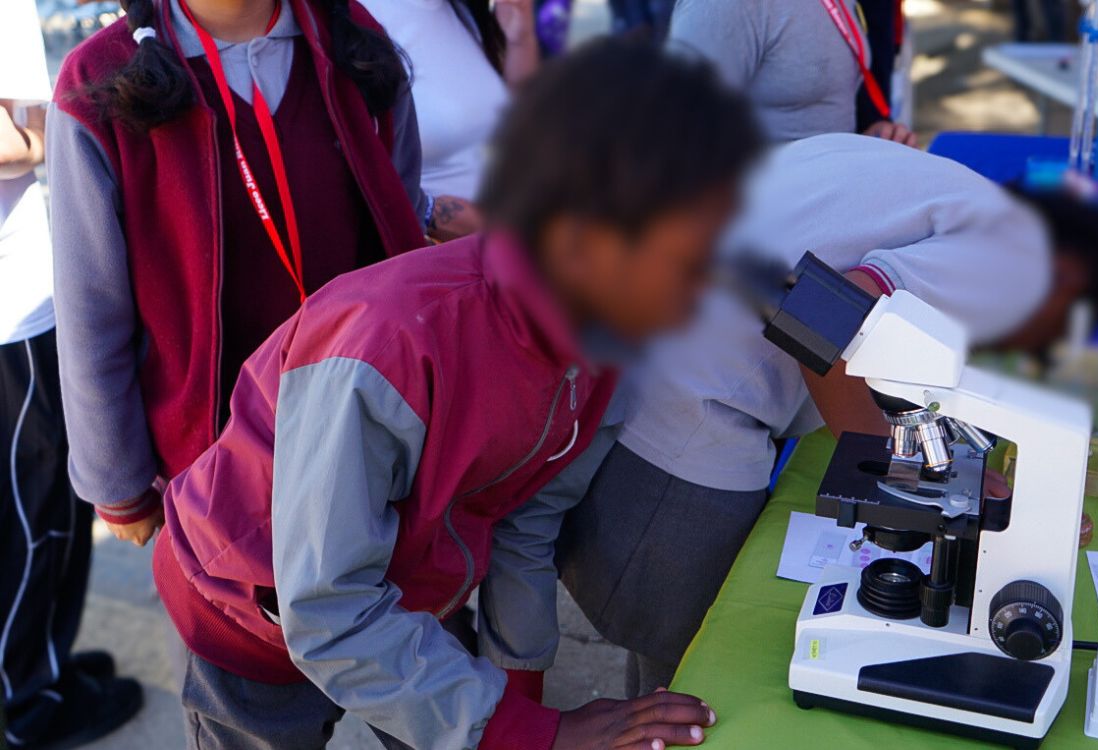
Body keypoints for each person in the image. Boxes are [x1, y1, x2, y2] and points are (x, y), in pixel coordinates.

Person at [154, 38, 762, 750]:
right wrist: (526, 731)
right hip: (247, 614)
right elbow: (325, 611)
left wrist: (522, 709)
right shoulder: (384, 345)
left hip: (402, 599)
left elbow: (525, 521)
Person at [558, 134, 1098, 696]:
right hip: (691, 414)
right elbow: (828, 318)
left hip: (635, 355)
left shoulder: (945, 188)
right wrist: (903, 476)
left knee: (661, 680)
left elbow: (880, 327)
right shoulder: (1013, 255)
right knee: (693, 674)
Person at [45, 0, 449, 548]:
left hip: (370, 441)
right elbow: (91, 310)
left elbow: (402, 226)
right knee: (229, 603)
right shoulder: (100, 79)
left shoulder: (352, 38)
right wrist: (117, 483)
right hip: (210, 473)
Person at [1, 2, 146, 747]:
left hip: (19, 294)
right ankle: (24, 702)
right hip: (11, 301)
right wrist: (65, 126)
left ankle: (43, 664)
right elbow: (11, 137)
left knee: (43, 505)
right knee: (33, 514)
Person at [668, 0, 916, 145]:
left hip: (837, 201)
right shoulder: (723, 6)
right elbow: (675, 134)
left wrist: (869, 135)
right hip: (774, 215)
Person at [362, 0, 538, 203]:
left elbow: (516, 114)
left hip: (518, 209)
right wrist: (432, 213)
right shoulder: (362, 20)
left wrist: (520, 40)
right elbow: (363, 178)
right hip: (474, 221)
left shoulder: (460, 9)